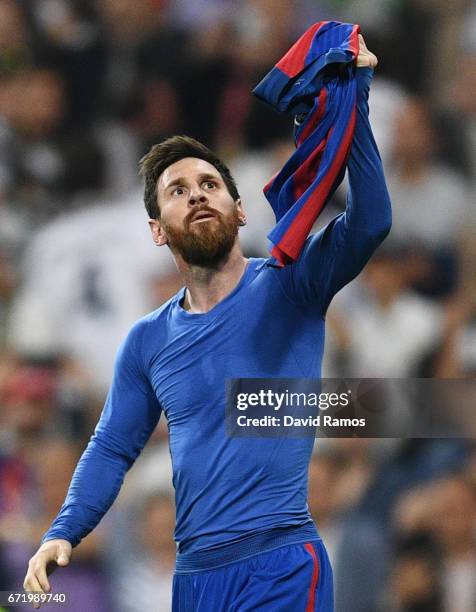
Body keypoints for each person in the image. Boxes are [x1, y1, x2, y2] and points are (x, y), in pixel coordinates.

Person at [23, 35, 390, 611]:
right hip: (194, 578)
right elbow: (113, 446)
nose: (196, 196)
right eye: (178, 191)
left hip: (282, 563)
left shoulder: (292, 283)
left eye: (210, 185)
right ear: (157, 229)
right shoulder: (146, 340)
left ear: (239, 210)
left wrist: (355, 106)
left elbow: (370, 223)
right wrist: (62, 530)